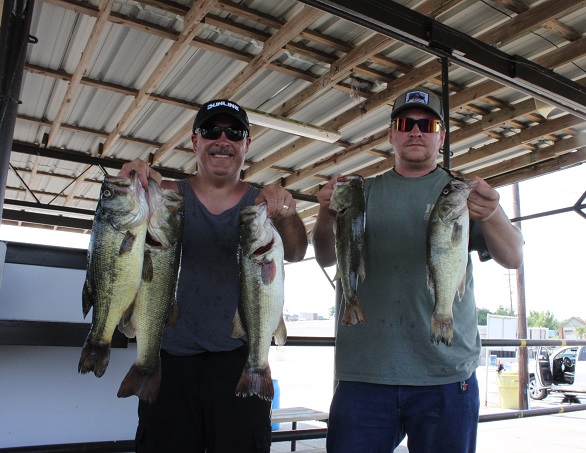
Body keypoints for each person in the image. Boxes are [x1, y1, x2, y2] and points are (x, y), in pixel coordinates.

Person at [312, 87, 524, 453]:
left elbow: (513, 256)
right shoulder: (361, 192)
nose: (415, 131)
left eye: (427, 125)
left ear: (441, 136)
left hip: (446, 374)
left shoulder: (463, 193)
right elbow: (326, 257)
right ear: (390, 135)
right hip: (365, 374)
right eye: (405, 124)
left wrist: (492, 214)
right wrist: (326, 213)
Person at [119, 99, 308, 453]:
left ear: (246, 144)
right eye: (211, 131)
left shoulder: (260, 205)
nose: (223, 140)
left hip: (240, 358)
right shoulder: (169, 196)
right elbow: (119, 234)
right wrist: (135, 184)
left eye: (234, 133)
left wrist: (286, 215)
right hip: (168, 359)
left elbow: (296, 252)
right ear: (195, 141)